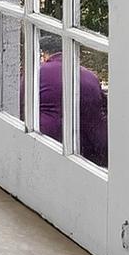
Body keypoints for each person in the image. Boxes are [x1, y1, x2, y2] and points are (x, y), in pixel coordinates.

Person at [38, 39, 109, 167]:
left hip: (49, 143)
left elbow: (21, 103)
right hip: (91, 148)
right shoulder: (91, 76)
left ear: (45, 54)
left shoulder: (39, 72)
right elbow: (104, 106)